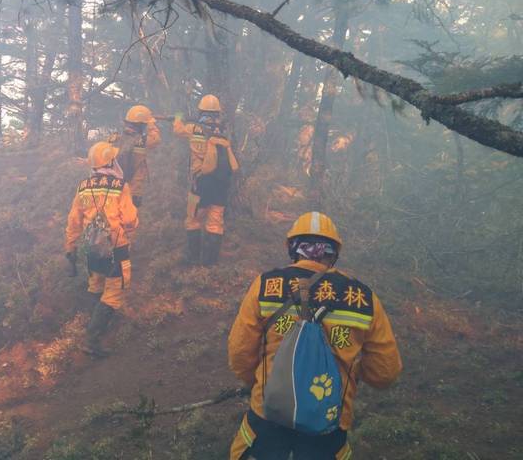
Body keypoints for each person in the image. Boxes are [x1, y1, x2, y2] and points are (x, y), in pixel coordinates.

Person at [228, 212, 402, 460]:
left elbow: (239, 353)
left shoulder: (266, 284)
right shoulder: (363, 298)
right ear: (334, 253)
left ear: (294, 248)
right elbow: (385, 373)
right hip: (327, 431)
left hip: (266, 420)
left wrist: (257, 382)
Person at [65, 141, 139, 357]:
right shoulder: (121, 187)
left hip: (92, 247)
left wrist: (70, 246)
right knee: (115, 291)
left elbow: (74, 220)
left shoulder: (83, 187)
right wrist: (132, 228)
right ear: (112, 161)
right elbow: (130, 219)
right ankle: (92, 339)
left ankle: (95, 319)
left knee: (96, 283)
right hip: (116, 248)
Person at [173, 94, 239, 265]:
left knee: (193, 218)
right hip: (221, 183)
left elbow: (177, 129)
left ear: (200, 110)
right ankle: (210, 265)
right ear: (218, 111)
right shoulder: (224, 130)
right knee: (215, 221)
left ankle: (193, 259)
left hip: (200, 182)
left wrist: (178, 116)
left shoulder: (193, 128)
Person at [108, 104, 161, 207]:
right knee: (130, 217)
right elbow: (156, 139)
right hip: (133, 189)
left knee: (114, 216)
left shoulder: (114, 138)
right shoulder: (143, 140)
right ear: (142, 125)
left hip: (113, 186)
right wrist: (151, 124)